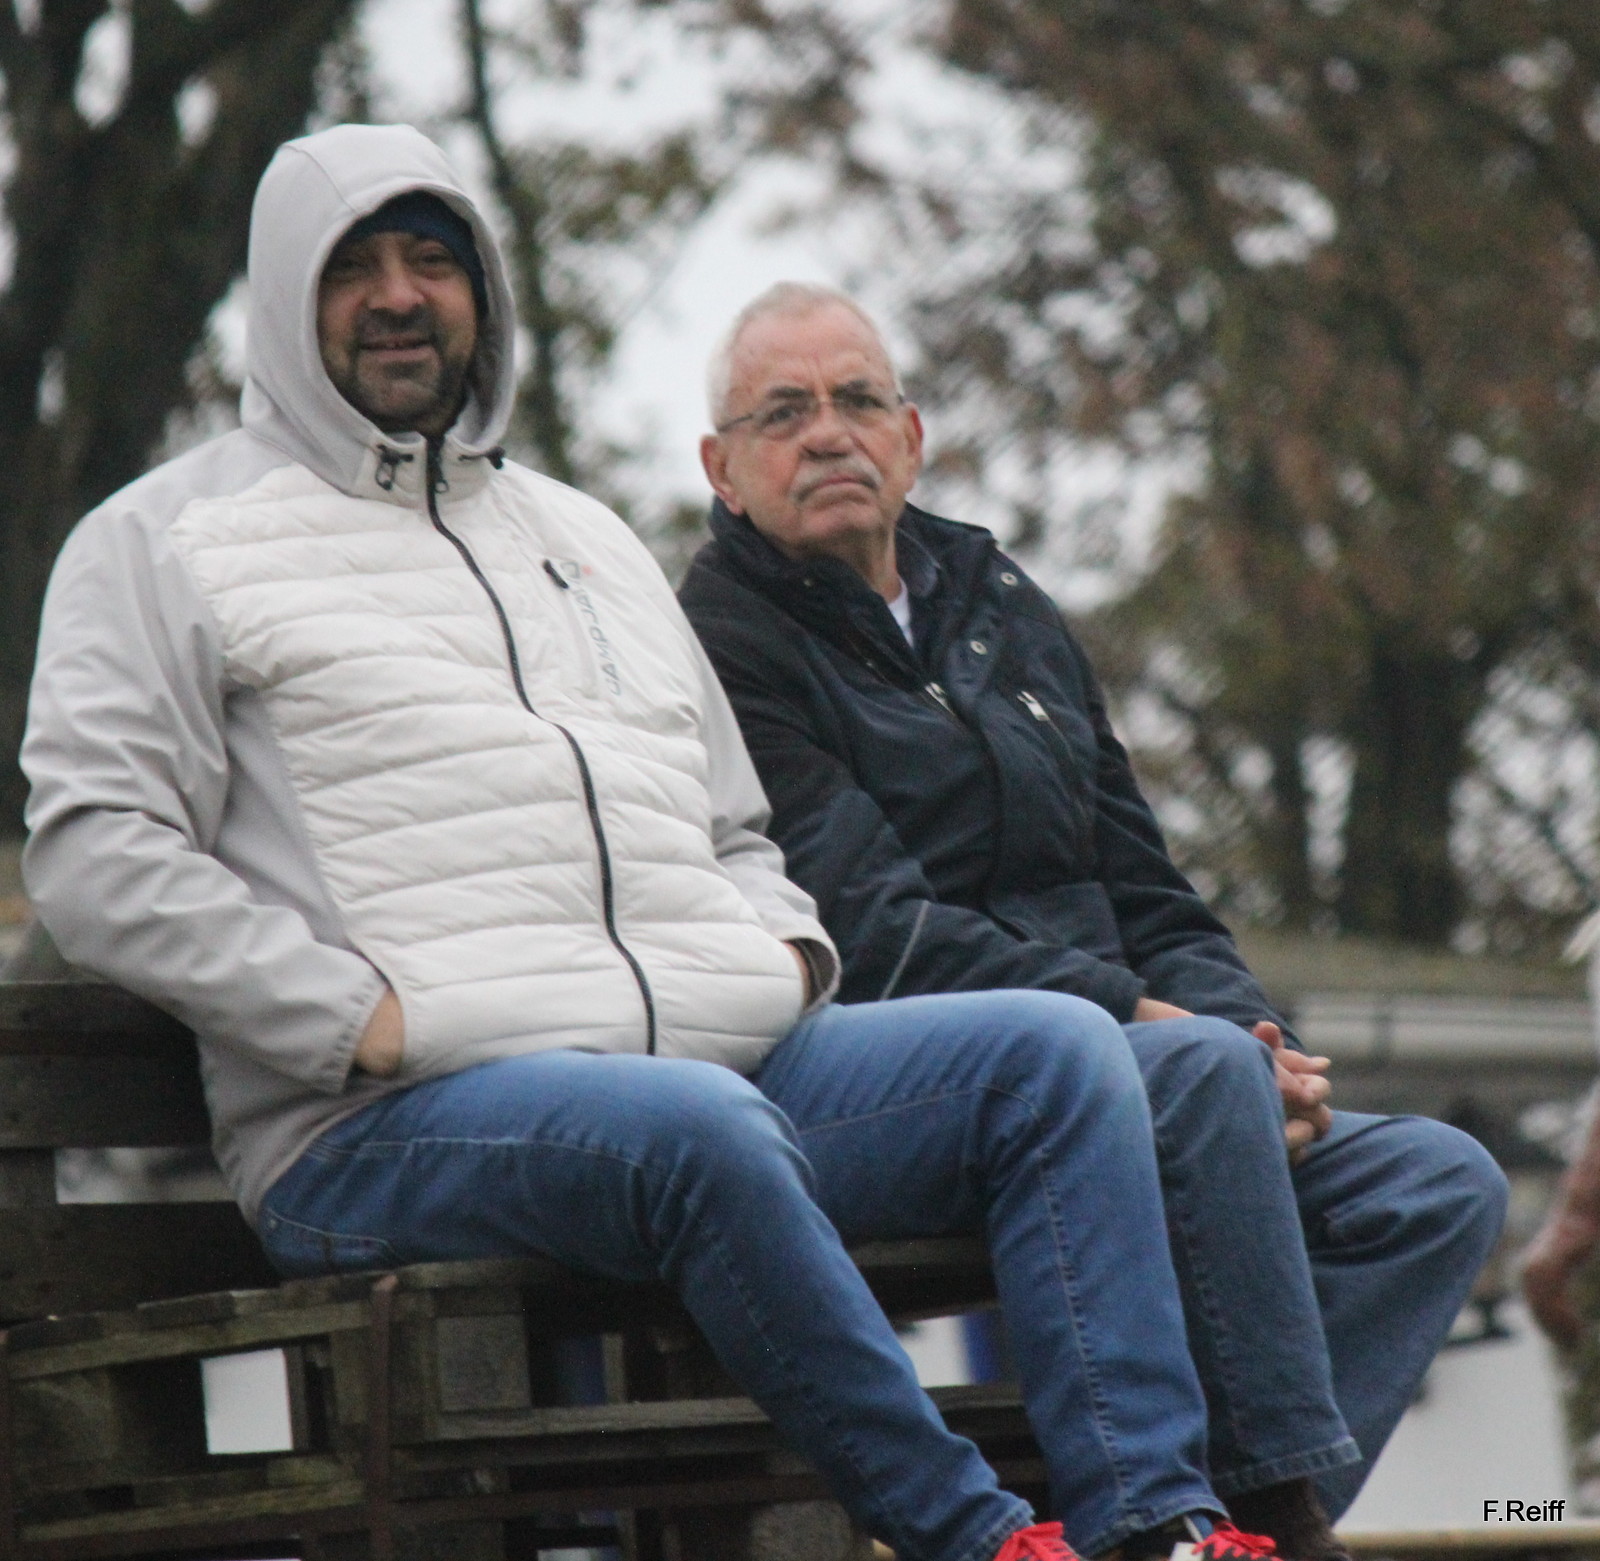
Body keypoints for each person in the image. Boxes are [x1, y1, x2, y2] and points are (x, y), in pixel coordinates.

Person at [20, 125, 1287, 1561]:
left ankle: (1154, 1527)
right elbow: (96, 850)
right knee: (701, 1130)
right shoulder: (163, 541)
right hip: (387, 1122)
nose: (398, 295)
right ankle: (978, 1540)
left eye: (432, 259)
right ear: (283, 296)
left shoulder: (586, 539)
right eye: (351, 267)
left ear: (482, 294)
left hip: (711, 1071)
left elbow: (733, 822)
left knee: (1055, 1054)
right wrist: (347, 1014)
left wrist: (783, 955)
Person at [678, 281, 1512, 1556]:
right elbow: (873, 928)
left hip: (1155, 1059)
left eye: (856, 400)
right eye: (782, 413)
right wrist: (1143, 1016)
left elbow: (1142, 880)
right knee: (1195, 1073)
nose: (828, 434)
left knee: (1436, 1182)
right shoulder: (719, 641)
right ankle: (1274, 1519)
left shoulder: (997, 601)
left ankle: (1211, 1525)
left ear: (911, 435)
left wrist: (1257, 1038)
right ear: (721, 469)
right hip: (924, 1073)